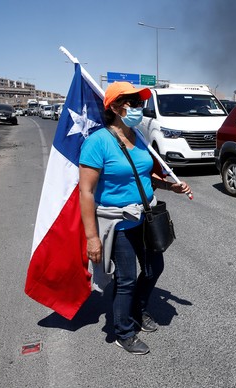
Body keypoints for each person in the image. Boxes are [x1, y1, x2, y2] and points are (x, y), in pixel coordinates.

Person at [79, 81, 191, 355]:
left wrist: (169, 185)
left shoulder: (139, 136)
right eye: (134, 103)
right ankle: (123, 331)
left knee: (154, 268)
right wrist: (92, 237)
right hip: (118, 223)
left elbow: (143, 175)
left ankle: (138, 310)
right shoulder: (98, 142)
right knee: (127, 279)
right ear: (116, 107)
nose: (140, 108)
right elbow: (86, 191)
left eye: (140, 103)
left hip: (145, 217)